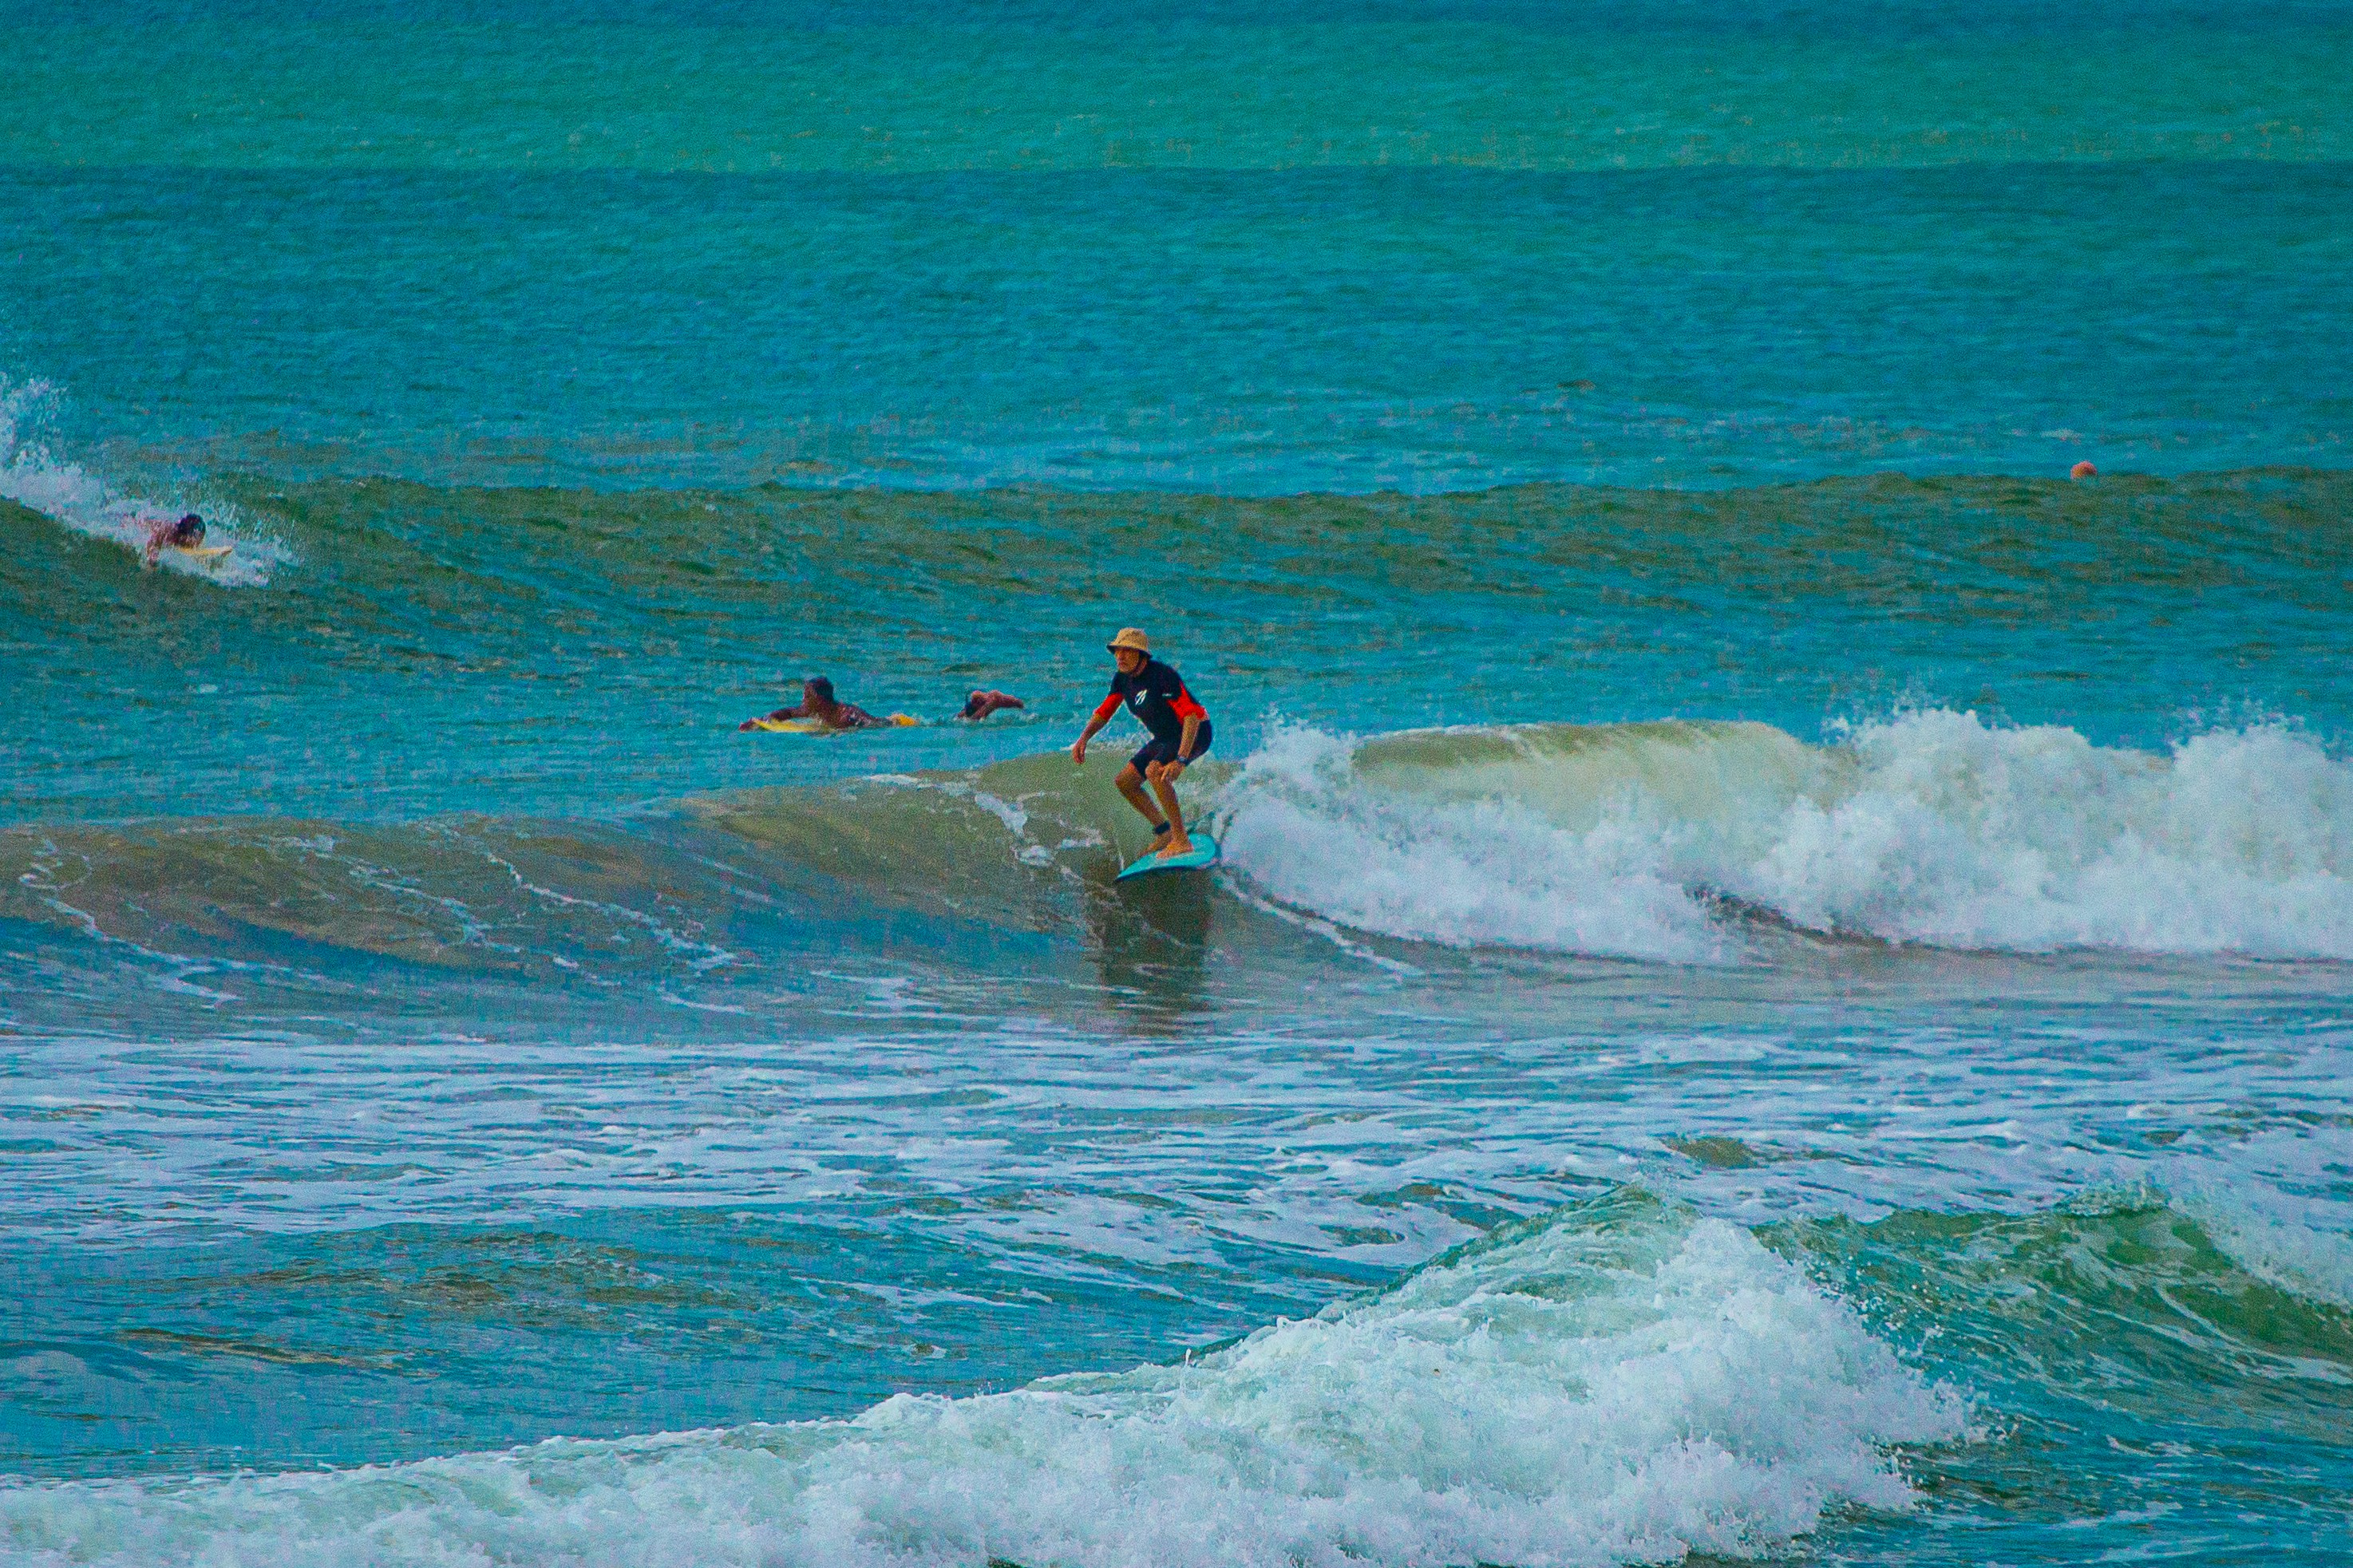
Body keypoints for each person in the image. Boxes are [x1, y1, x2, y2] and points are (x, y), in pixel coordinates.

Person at [1070, 627, 1212, 863]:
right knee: (1125, 782)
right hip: (1166, 737)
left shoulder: (1163, 676)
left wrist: (1181, 760)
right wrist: (1084, 737)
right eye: (1117, 651)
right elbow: (1105, 712)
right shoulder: (1122, 680)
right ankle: (1164, 832)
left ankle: (1182, 840)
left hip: (1195, 732)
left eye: (1127, 651)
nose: (1120, 656)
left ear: (1141, 654)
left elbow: (1190, 717)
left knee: (1155, 772)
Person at [740, 676, 884, 731]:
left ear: (820, 700)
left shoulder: (847, 716)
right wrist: (760, 722)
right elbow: (788, 712)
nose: (803, 700)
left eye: (808, 696)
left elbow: (875, 725)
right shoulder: (811, 710)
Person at [142, 513, 206, 567]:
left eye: (202, 537)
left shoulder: (187, 537)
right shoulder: (169, 534)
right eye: (198, 538)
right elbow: (152, 543)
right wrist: (152, 561)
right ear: (185, 536)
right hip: (141, 525)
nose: (200, 542)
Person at [959, 689, 1025, 721]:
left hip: (1019, 705)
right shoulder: (976, 702)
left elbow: (978, 717)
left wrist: (968, 719)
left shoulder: (992, 700)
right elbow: (961, 714)